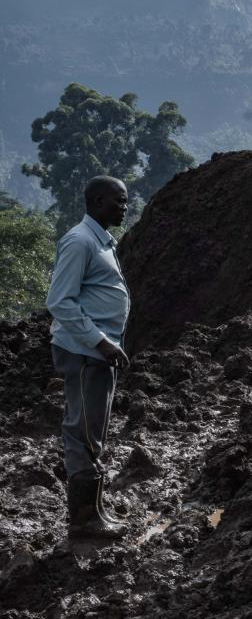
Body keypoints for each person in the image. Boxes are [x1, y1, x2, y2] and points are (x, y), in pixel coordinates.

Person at [47, 176, 132, 539]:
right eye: (119, 201)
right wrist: (100, 342)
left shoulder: (103, 242)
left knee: (93, 431)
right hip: (84, 352)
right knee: (82, 431)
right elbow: (59, 300)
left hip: (98, 352)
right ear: (97, 202)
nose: (124, 208)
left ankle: (94, 510)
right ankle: (83, 521)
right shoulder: (80, 242)